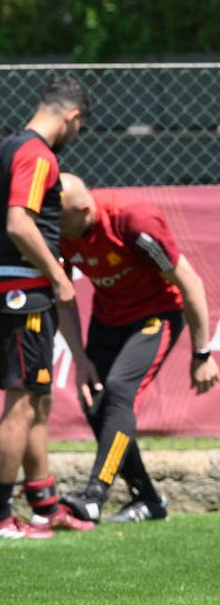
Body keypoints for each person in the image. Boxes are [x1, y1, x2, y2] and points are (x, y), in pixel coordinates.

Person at [0, 75, 96, 539]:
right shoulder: (37, 155)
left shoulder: (2, 150)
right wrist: (58, 277)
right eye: (78, 129)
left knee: (38, 398)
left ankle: (44, 504)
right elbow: (18, 224)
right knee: (21, 403)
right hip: (26, 293)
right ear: (72, 116)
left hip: (11, 287)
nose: (75, 138)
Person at [56, 173, 219, 522]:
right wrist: (79, 358)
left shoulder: (133, 222)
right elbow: (64, 296)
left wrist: (202, 353)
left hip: (156, 315)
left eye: (60, 217)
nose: (54, 225)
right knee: (95, 401)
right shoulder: (61, 234)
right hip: (107, 317)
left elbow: (189, 281)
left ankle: (95, 496)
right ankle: (147, 498)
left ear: (84, 209)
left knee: (118, 393)